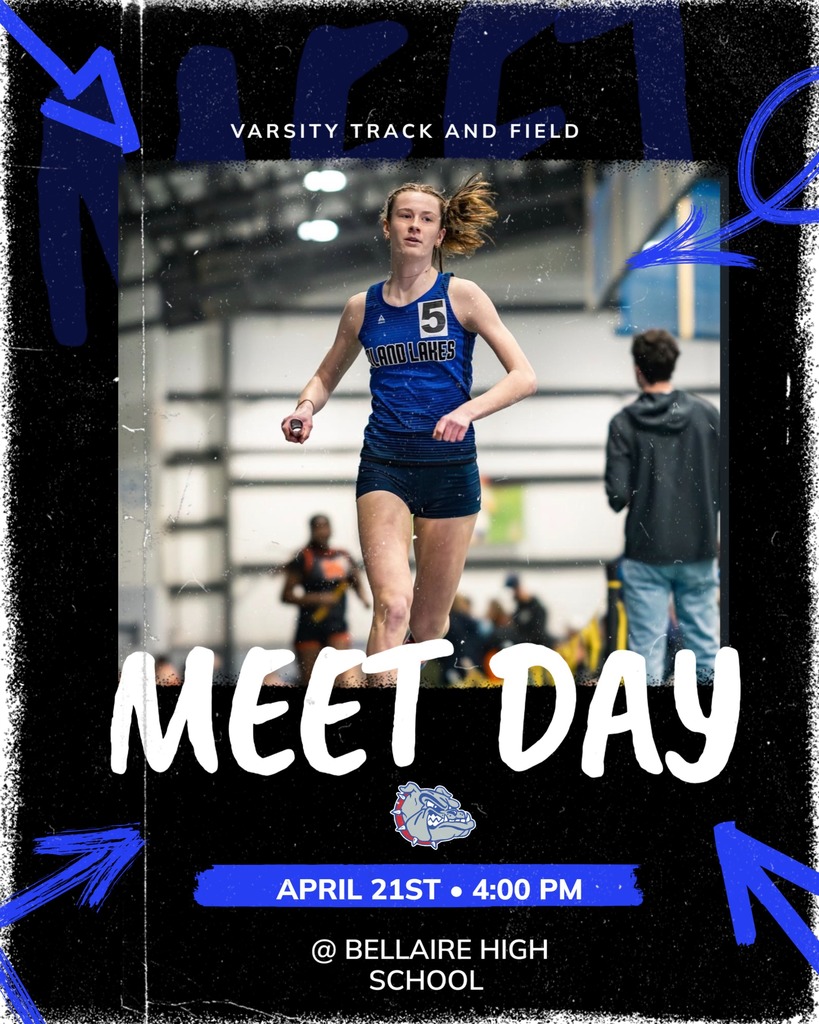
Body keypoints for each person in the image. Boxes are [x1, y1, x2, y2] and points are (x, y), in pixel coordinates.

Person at [282, 175, 537, 673]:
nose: (415, 226)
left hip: (450, 471)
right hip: (386, 468)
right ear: (386, 227)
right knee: (392, 606)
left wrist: (466, 411)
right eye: (405, 216)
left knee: (428, 625)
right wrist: (305, 407)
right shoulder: (362, 308)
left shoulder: (463, 297)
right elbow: (324, 376)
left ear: (440, 235)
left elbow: (524, 377)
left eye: (426, 219)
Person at [605, 328, 720, 685]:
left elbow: (617, 496)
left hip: (645, 553)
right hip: (699, 549)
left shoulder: (623, 423)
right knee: (705, 651)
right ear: (672, 366)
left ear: (638, 369)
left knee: (647, 656)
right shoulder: (708, 415)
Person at [280, 514, 370, 684]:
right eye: (318, 527)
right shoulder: (304, 557)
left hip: (337, 627)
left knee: (341, 680)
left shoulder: (342, 556)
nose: (322, 531)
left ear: (331, 529)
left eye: (325, 526)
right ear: (311, 530)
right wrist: (318, 598)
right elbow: (286, 595)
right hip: (309, 627)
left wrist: (363, 597)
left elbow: (356, 579)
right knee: (311, 682)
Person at [504, 573, 555, 646]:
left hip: (536, 646)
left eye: (513, 590)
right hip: (524, 645)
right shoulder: (518, 609)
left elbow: (538, 632)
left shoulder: (536, 608)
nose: (512, 594)